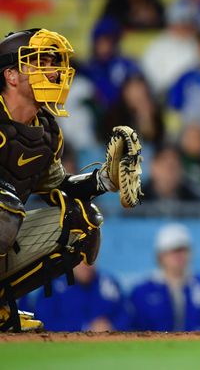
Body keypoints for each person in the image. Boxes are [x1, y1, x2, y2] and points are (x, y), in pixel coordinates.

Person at [0, 28, 142, 331]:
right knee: (4, 208)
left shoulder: (47, 133)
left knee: (81, 221)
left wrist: (103, 180)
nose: (52, 71)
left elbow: (57, 187)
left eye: (53, 62)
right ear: (11, 75)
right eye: (41, 62)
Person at [128, 223, 200, 331]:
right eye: (173, 250)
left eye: (183, 250)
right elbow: (130, 325)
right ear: (160, 255)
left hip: (198, 347)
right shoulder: (142, 290)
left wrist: (199, 334)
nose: (179, 255)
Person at [27, 261, 130, 332]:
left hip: (108, 346)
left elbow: (126, 315)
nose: (85, 265)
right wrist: (85, 327)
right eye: (80, 260)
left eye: (90, 259)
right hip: (64, 349)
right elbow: (43, 321)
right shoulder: (54, 286)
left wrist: (111, 326)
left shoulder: (109, 283)